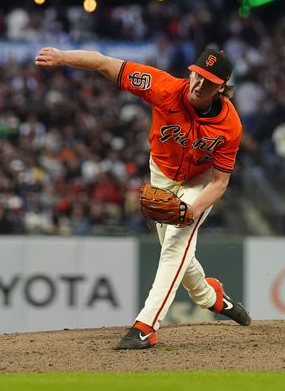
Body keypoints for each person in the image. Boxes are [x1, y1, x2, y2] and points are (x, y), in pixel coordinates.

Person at [35, 45, 251, 350]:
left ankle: (146, 326)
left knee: (175, 244)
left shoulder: (230, 126)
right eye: (197, 75)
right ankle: (209, 295)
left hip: (199, 182)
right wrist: (61, 57)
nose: (199, 84)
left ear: (222, 88)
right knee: (177, 252)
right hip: (161, 175)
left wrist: (191, 210)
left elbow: (219, 183)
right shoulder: (163, 87)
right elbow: (105, 64)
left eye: (208, 82)